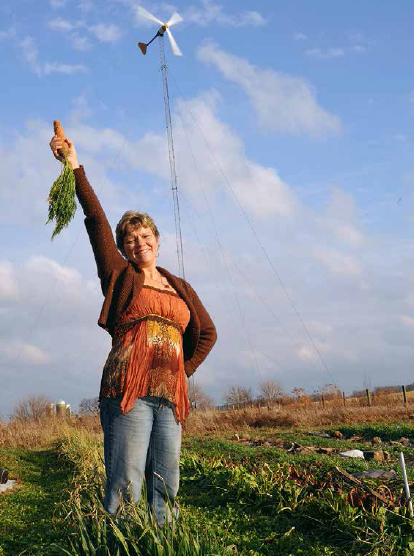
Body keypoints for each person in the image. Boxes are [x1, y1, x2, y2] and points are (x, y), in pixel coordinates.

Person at [49, 135, 217, 523]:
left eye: (145, 237)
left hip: (170, 398)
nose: (139, 243)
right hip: (128, 390)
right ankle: (119, 545)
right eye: (130, 240)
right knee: (126, 485)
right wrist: (74, 165)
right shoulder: (120, 275)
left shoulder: (179, 286)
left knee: (166, 484)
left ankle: (161, 546)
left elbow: (207, 332)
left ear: (157, 241)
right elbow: (97, 222)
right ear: (123, 249)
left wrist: (183, 371)